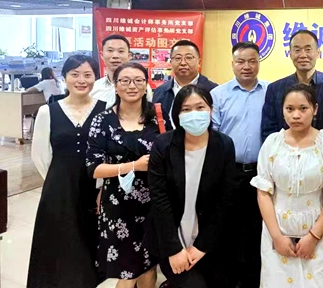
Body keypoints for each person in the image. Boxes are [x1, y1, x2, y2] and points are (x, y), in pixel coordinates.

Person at [252, 84, 323, 288]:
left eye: (303, 108)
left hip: (316, 231)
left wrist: (314, 236)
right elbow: (263, 193)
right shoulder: (272, 143)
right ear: (282, 110)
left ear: (315, 109)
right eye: (290, 109)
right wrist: (277, 237)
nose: (296, 115)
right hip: (276, 231)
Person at [28, 55, 107, 288]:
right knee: (58, 237)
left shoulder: (105, 110)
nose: (81, 80)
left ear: (95, 78)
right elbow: (40, 155)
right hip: (59, 186)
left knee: (88, 237)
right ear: (64, 77)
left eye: (87, 75)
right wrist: (56, 181)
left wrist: (102, 186)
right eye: (75, 74)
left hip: (94, 184)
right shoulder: (48, 111)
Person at [147, 85, 235, 288]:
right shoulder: (163, 145)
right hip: (171, 240)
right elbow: (159, 199)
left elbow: (223, 200)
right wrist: (174, 249)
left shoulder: (224, 145)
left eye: (200, 107)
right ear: (177, 114)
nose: (194, 114)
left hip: (210, 240)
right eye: (186, 109)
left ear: (211, 110)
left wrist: (202, 246)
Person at [87, 62, 161, 287]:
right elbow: (94, 168)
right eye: (125, 81)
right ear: (116, 86)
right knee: (126, 271)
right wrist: (133, 166)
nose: (132, 86)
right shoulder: (102, 120)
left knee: (149, 266)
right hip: (118, 206)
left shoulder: (158, 118)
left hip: (154, 203)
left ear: (146, 85)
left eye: (138, 80)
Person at [210, 41, 268, 288]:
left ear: (259, 63)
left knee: (256, 231)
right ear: (232, 63)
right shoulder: (218, 94)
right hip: (229, 172)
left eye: (252, 61)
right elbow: (212, 135)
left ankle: (252, 282)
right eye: (241, 61)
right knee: (228, 230)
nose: (247, 66)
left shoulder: (270, 91)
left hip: (261, 173)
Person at [261, 30, 323, 140]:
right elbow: (268, 130)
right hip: (286, 149)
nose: (303, 55)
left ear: (318, 53)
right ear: (290, 54)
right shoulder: (275, 89)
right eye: (297, 50)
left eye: (308, 49)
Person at [153, 39, 218, 129]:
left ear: (199, 62)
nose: (183, 63)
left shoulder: (214, 91)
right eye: (178, 58)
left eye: (189, 58)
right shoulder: (160, 92)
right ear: (171, 63)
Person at [91, 34, 153, 108]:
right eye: (110, 50)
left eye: (121, 51)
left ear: (129, 56)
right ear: (102, 55)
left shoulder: (141, 87)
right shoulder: (93, 88)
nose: (115, 56)